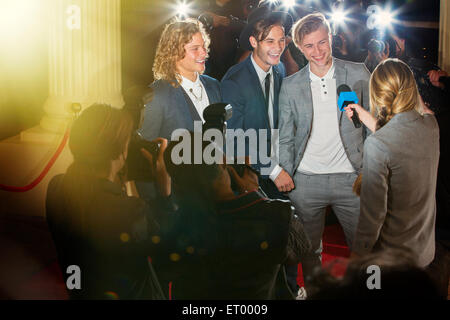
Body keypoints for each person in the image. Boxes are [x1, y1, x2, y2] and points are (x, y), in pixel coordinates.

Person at [277, 12, 371, 295]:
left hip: (352, 177)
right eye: (308, 46)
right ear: (299, 48)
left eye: (321, 42)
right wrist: (286, 171)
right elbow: (285, 135)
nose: (317, 51)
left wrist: (371, 168)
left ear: (331, 38)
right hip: (306, 181)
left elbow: (373, 125)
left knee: (366, 247)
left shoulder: (357, 73)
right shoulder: (290, 85)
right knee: (310, 250)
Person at [151, 135, 311, 299]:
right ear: (223, 166)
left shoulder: (175, 227)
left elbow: (162, 272)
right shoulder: (273, 215)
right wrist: (255, 194)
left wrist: (164, 196)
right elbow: (301, 248)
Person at [46, 104, 169, 299]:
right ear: (118, 152)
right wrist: (165, 193)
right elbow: (168, 250)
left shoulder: (56, 187)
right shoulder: (131, 212)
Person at [345, 59, 439, 269]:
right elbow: (401, 137)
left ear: (377, 93)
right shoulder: (431, 126)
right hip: (423, 254)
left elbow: (373, 217)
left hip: (387, 263)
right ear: (412, 89)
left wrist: (358, 257)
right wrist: (362, 114)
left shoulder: (378, 144)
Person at [221, 6, 292, 200]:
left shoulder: (279, 69)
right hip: (252, 176)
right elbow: (234, 141)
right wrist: (274, 170)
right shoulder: (234, 82)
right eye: (270, 41)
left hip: (279, 164)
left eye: (281, 40)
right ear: (253, 42)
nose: (278, 47)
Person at [139, 18, 221, 142]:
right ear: (174, 52)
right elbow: (145, 146)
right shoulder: (156, 94)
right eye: (195, 49)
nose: (204, 53)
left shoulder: (214, 85)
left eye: (204, 46)